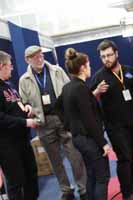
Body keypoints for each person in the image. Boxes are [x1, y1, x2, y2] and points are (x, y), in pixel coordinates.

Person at [18, 45, 87, 200]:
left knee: (75, 155)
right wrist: (26, 106)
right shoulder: (24, 80)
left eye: (41, 54)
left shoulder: (57, 70)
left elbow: (70, 90)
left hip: (63, 118)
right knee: (55, 160)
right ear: (27, 60)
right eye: (35, 57)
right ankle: (66, 190)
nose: (40, 58)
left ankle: (82, 187)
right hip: (43, 123)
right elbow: (22, 101)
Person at [91, 40, 133, 200]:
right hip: (115, 126)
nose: (107, 59)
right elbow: (88, 101)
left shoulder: (129, 71)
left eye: (109, 55)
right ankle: (127, 193)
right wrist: (97, 91)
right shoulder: (99, 77)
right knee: (124, 157)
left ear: (116, 54)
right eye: (103, 56)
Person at [56, 48, 110, 200]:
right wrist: (103, 143)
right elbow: (89, 119)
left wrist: (69, 125)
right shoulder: (80, 88)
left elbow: (57, 107)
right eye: (89, 65)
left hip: (78, 138)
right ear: (82, 68)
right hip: (88, 139)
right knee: (102, 177)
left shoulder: (68, 87)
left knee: (91, 174)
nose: (90, 68)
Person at [0, 50, 39, 200]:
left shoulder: (8, 85)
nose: (12, 68)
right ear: (1, 66)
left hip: (22, 140)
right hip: (7, 146)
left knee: (31, 175)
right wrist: (25, 122)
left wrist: (26, 108)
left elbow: (17, 105)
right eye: (9, 66)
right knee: (16, 183)